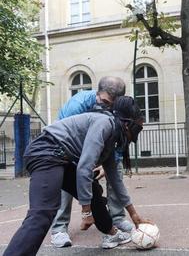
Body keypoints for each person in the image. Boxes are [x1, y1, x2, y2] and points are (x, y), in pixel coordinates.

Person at [3, 96, 149, 256]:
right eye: (138, 128)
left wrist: (133, 213)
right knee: (43, 213)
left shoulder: (112, 138)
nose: (137, 134)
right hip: (45, 152)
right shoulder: (105, 124)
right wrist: (86, 211)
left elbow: (115, 180)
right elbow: (84, 168)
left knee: (93, 191)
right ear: (127, 124)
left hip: (60, 157)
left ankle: (111, 232)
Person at [50, 76, 134, 248]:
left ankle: (117, 218)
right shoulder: (77, 104)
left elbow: (115, 141)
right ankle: (59, 228)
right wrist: (86, 163)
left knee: (115, 171)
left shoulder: (116, 110)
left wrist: (105, 163)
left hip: (98, 150)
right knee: (68, 177)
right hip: (70, 150)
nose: (106, 106)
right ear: (97, 92)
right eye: (104, 101)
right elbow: (64, 139)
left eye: (111, 104)